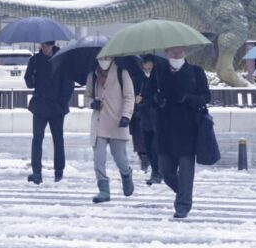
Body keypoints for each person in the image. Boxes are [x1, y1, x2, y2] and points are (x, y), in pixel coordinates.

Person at [155, 46, 211, 219]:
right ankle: (183, 194)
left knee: (186, 171)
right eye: (173, 52)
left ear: (185, 52)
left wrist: (188, 98)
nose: (176, 54)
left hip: (188, 129)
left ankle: (183, 205)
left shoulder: (195, 72)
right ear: (166, 53)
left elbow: (206, 96)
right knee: (166, 171)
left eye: (179, 51)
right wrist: (156, 99)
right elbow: (148, 96)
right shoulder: (159, 73)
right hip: (165, 129)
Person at [84, 56, 135, 203]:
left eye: (106, 57)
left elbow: (129, 97)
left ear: (112, 58)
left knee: (120, 157)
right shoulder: (92, 76)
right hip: (99, 123)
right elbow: (87, 96)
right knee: (98, 159)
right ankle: (104, 189)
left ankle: (126, 174)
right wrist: (92, 103)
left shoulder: (122, 73)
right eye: (101, 57)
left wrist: (126, 115)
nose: (103, 60)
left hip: (117, 122)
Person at [25, 41, 74, 184]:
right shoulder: (34, 60)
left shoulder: (62, 60)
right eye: (43, 45)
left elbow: (68, 84)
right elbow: (29, 82)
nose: (45, 48)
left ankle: (59, 172)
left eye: (47, 45)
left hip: (56, 107)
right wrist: (32, 76)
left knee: (58, 140)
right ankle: (36, 173)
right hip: (39, 106)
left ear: (53, 45)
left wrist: (61, 103)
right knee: (37, 139)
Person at [137, 54, 162, 185]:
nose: (146, 68)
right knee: (148, 147)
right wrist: (139, 101)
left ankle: (158, 173)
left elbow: (160, 98)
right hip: (145, 119)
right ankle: (155, 172)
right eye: (144, 65)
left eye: (148, 65)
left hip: (158, 119)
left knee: (155, 147)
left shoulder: (160, 77)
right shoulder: (141, 79)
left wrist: (147, 100)